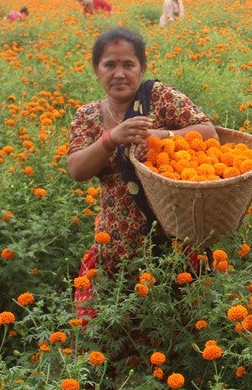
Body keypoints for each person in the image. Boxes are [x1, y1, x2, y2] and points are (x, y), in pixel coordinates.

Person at [66, 27, 218, 319]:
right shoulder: (87, 116)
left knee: (174, 323)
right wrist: (111, 139)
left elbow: (207, 131)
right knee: (116, 329)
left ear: (142, 68)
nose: (119, 73)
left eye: (128, 64)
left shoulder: (158, 97)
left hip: (171, 239)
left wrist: (158, 137)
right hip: (116, 245)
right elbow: (77, 169)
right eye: (109, 65)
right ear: (96, 70)